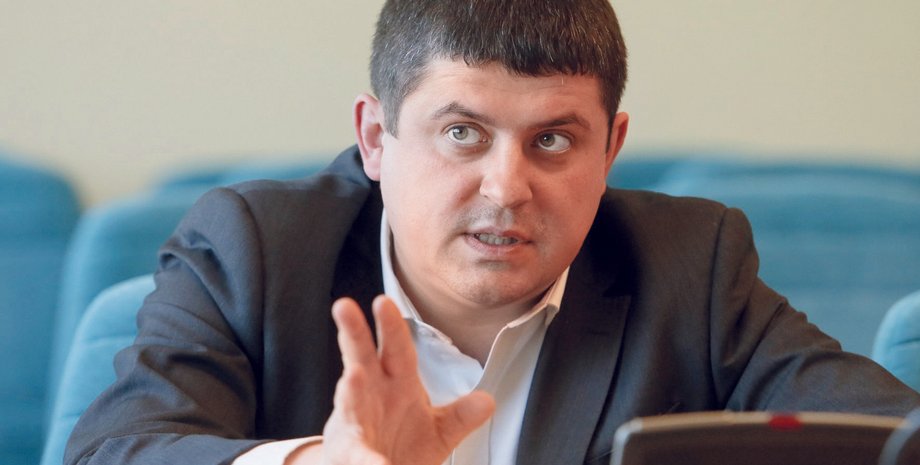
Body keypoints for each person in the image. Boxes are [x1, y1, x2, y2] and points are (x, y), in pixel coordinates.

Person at [65, 1, 920, 464]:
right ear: (375, 137)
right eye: (462, 133)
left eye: (553, 141)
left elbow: (894, 437)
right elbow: (114, 452)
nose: (507, 187)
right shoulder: (255, 248)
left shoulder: (689, 267)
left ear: (611, 149)